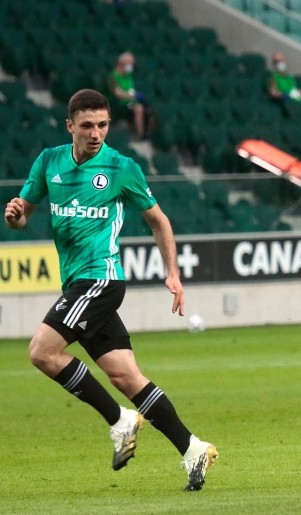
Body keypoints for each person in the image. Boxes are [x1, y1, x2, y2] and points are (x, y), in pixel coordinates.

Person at [3, 89, 217, 491]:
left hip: (100, 279)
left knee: (42, 352)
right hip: (77, 283)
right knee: (126, 376)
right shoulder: (49, 162)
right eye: (87, 126)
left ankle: (120, 421)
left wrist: (172, 272)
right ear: (70, 126)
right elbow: (21, 215)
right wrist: (14, 215)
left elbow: (159, 221)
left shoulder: (121, 167)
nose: (96, 133)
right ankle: (193, 449)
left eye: (102, 125)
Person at [105, 52, 149, 139]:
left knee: (149, 109)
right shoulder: (112, 76)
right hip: (117, 103)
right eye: (130, 63)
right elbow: (117, 93)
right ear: (122, 63)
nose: (132, 66)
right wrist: (134, 96)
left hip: (130, 102)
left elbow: (131, 89)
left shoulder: (128, 76)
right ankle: (140, 135)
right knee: (138, 109)